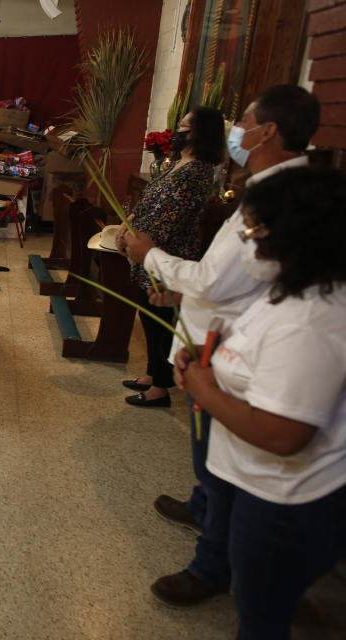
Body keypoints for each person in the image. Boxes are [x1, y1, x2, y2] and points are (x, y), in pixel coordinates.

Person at [173, 165, 346, 639]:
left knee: (261, 618)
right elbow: (257, 342)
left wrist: (205, 389)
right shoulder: (293, 289)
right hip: (252, 481)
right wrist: (214, 347)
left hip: (283, 500)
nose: (247, 240)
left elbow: (282, 433)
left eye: (253, 228)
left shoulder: (311, 321)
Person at [117, 107, 223, 409]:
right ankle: (153, 373)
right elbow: (151, 198)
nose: (178, 130)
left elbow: (170, 214)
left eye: (185, 126)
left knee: (159, 319)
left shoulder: (197, 170)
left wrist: (139, 238)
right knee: (148, 315)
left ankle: (160, 388)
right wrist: (129, 223)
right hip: (147, 248)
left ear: (201, 132)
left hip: (166, 252)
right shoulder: (179, 162)